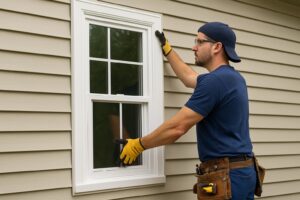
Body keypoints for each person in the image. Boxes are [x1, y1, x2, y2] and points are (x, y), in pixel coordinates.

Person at [118, 22, 261, 200]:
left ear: (217, 47)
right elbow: (189, 77)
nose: (194, 47)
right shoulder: (233, 78)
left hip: (227, 177)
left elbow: (177, 128)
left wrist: (140, 144)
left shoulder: (215, 81)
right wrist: (168, 50)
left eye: (200, 42)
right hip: (242, 174)